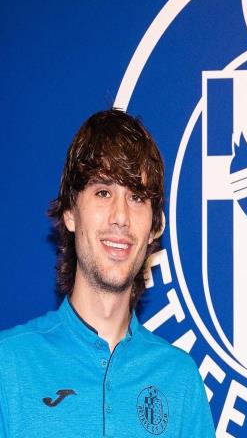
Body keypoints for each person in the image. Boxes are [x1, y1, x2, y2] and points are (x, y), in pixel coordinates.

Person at [0, 109, 215, 437]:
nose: (121, 217)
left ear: (154, 227)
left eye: (137, 197)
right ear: (71, 212)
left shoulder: (180, 380)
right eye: (103, 192)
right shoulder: (9, 366)